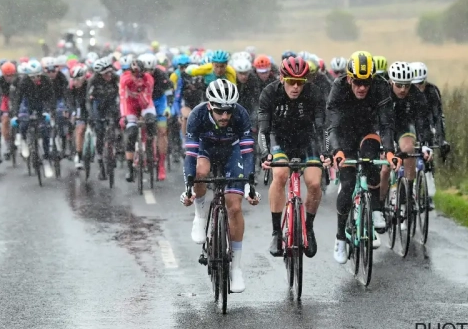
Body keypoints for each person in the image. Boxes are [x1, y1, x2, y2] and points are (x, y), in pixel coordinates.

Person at [180, 79, 260, 293]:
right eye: (219, 111)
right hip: (207, 150)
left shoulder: (241, 115)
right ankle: (200, 215)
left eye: (228, 111)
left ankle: (236, 269)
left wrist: (250, 184)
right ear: (209, 106)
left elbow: (248, 152)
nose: (225, 116)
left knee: (234, 206)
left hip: (232, 152)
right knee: (200, 172)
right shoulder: (196, 116)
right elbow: (190, 154)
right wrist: (188, 186)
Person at [326, 51, 395, 263]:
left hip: (368, 130)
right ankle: (340, 238)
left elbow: (386, 124)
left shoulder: (382, 87)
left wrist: (390, 150)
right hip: (345, 133)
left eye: (366, 82)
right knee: (347, 184)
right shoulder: (338, 88)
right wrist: (336, 151)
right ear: (348, 78)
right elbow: (333, 125)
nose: (362, 87)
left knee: (372, 162)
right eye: (357, 82)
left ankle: (375, 208)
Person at [257, 56, 328, 259]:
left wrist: (326, 151)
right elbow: (263, 129)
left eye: (300, 82)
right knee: (280, 174)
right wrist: (265, 154)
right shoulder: (270, 93)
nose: (296, 87)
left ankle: (309, 227)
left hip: (307, 140)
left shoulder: (314, 94)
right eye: (291, 82)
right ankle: (276, 233)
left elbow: (322, 127)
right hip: (279, 139)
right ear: (282, 78)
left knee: (314, 183)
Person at [380, 62, 433, 223]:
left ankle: (407, 194)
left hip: (403, 127)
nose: (403, 90)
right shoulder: (382, 92)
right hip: (384, 127)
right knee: (384, 169)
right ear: (391, 82)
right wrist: (384, 147)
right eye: (399, 85)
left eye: (407, 86)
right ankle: (380, 206)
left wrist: (425, 143)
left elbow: (422, 121)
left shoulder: (416, 95)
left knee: (409, 149)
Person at [410, 61, 449, 210]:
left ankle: (429, 192)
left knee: (428, 154)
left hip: (426, 125)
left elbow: (438, 117)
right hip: (409, 125)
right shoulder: (407, 92)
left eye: (421, 84)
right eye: (414, 85)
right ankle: (408, 190)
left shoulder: (432, 91)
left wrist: (441, 139)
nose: (418, 88)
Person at [11, 59, 55, 178]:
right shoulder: (24, 82)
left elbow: (51, 98)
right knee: (23, 122)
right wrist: (15, 115)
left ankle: (46, 158)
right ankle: (24, 140)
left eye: (37, 76)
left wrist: (49, 112)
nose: (35, 79)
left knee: (45, 131)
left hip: (42, 103)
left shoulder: (46, 80)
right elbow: (18, 99)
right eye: (32, 77)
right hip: (28, 103)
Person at [119, 57, 156, 182]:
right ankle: (130, 169)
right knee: (131, 134)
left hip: (145, 104)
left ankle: (150, 151)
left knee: (151, 121)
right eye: (134, 73)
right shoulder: (125, 79)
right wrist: (124, 116)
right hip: (130, 107)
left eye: (140, 73)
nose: (137, 76)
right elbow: (123, 99)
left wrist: (144, 114)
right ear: (130, 72)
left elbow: (148, 98)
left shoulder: (148, 79)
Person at [138, 53, 173, 181]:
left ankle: (161, 164)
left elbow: (169, 90)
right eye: (145, 70)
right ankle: (141, 152)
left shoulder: (161, 74)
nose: (149, 73)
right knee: (142, 126)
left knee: (162, 131)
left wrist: (169, 106)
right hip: (144, 101)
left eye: (151, 70)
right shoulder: (136, 75)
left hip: (159, 102)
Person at [88, 57, 121, 180]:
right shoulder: (93, 80)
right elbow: (88, 100)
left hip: (111, 104)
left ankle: (117, 149)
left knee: (117, 125)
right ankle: (101, 161)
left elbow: (122, 93)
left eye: (110, 72)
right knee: (100, 131)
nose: (109, 75)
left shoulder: (116, 78)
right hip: (98, 105)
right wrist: (91, 116)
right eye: (105, 74)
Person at [68, 64, 90, 169]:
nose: (75, 82)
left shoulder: (89, 85)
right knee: (80, 130)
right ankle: (79, 155)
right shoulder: (72, 88)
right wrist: (73, 113)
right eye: (73, 79)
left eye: (77, 80)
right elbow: (71, 102)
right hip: (80, 108)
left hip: (90, 107)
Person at [0, 61, 19, 160]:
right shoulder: (0, 81)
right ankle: (7, 146)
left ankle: (22, 139)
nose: (9, 77)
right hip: (6, 99)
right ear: (3, 74)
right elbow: (0, 96)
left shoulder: (19, 80)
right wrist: (0, 109)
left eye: (11, 75)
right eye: (7, 75)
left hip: (17, 99)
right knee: (5, 121)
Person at [232, 57, 261, 131]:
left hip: (248, 107)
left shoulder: (253, 79)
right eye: (240, 73)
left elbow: (255, 102)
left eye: (246, 73)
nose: (243, 76)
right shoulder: (231, 79)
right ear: (235, 72)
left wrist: (253, 123)